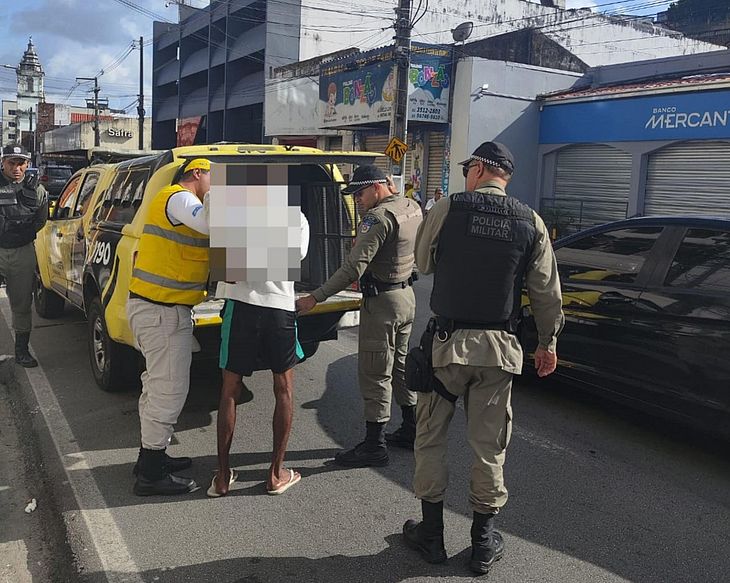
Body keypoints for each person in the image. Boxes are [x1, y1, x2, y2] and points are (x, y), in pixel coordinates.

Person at [402, 142, 564, 574]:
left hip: (446, 347)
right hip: (499, 352)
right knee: (489, 449)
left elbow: (423, 261)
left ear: (477, 170)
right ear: (505, 177)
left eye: (467, 169)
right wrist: (547, 343)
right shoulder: (530, 221)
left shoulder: (449, 207)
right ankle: (483, 543)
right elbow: (547, 292)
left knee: (431, 438)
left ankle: (432, 537)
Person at [296, 165, 422, 466]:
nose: (358, 200)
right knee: (401, 365)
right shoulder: (411, 207)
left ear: (379, 186)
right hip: (406, 297)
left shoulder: (377, 218)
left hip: (383, 303)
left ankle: (374, 445)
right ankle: (412, 428)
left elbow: (354, 268)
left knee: (375, 371)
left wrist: (315, 297)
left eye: (361, 193)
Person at [208, 212, 310, 497]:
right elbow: (293, 259)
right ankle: (276, 475)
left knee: (230, 388)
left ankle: (223, 478)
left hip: (240, 306)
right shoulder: (296, 218)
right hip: (280, 308)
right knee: (284, 389)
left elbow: (227, 270)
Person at [127, 158, 211, 496]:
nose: (215, 185)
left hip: (158, 310)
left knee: (155, 387)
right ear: (197, 174)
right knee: (169, 390)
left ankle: (150, 455)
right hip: (160, 312)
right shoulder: (178, 198)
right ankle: (151, 474)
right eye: (213, 177)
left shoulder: (180, 202)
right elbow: (208, 223)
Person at [0, 144, 48, 368]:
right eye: (12, 163)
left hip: (21, 250)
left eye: (21, 163)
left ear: (27, 165)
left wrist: (21, 234)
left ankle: (21, 351)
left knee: (21, 303)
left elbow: (41, 220)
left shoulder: (36, 190)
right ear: (3, 163)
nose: (16, 168)